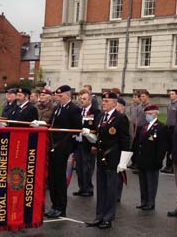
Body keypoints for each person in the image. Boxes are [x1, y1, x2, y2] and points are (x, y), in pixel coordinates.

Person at [85, 91, 131, 229]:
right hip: (100, 157)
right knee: (101, 188)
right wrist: (89, 137)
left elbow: (125, 140)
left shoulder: (120, 118)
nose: (103, 103)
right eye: (103, 101)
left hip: (113, 158)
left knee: (111, 189)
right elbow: (98, 137)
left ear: (114, 103)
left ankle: (108, 218)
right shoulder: (100, 116)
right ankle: (99, 216)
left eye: (107, 101)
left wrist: (123, 162)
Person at [46, 85, 82, 218]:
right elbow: (52, 124)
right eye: (57, 96)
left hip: (63, 145)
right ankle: (54, 205)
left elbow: (77, 128)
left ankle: (61, 207)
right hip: (53, 144)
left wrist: (67, 144)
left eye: (60, 96)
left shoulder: (74, 109)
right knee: (52, 177)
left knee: (60, 178)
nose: (58, 98)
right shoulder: (57, 108)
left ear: (67, 95)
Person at [134, 105, 167, 211]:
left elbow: (162, 147)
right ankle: (143, 201)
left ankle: (150, 202)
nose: (147, 116)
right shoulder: (144, 126)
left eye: (149, 114)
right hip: (142, 159)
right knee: (143, 182)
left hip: (152, 160)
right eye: (146, 114)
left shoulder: (161, 127)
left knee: (151, 182)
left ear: (155, 114)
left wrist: (159, 160)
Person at [74, 88, 100, 197]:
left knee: (87, 167)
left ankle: (88, 189)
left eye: (84, 99)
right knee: (79, 167)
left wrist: (95, 144)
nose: (82, 101)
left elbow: (97, 130)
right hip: (78, 142)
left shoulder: (96, 112)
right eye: (80, 99)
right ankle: (82, 188)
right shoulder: (78, 111)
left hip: (89, 143)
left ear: (90, 100)